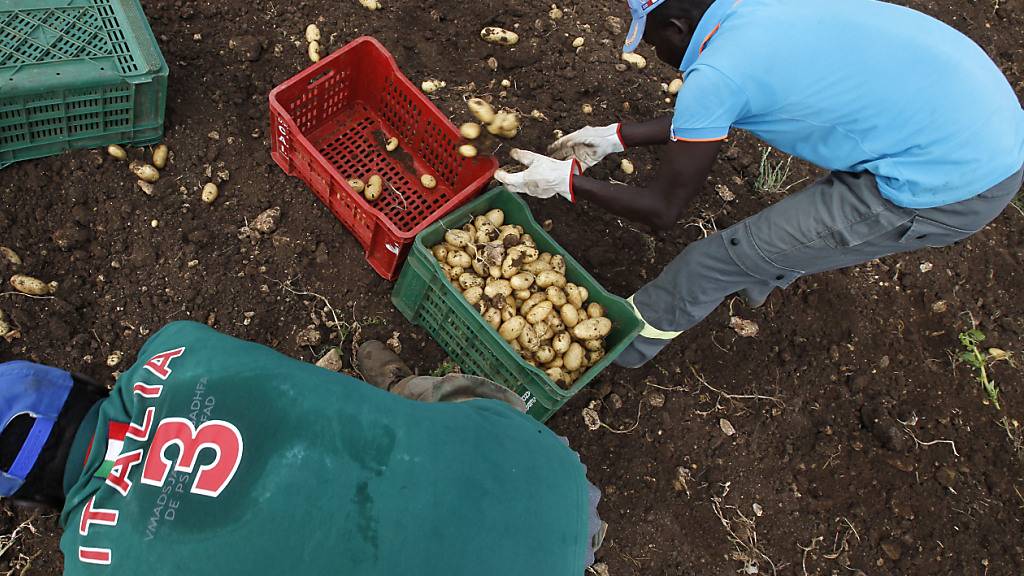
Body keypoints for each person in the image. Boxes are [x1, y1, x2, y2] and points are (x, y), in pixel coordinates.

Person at [495, 0, 1024, 368]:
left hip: (953, 183)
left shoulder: (721, 72)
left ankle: (622, 343)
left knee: (714, 261)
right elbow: (741, 101)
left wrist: (565, 182)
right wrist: (617, 138)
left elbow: (661, 210)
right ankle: (773, 263)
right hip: (974, 118)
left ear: (678, 26)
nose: (652, 54)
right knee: (778, 242)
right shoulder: (757, 15)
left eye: (650, 40)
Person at [0, 321, 604, 575]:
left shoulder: (98, 563)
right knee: (422, 409)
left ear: (29, 499)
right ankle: (403, 390)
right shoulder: (176, 345)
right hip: (553, 473)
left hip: (548, 549)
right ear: (80, 383)